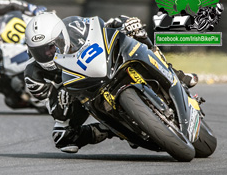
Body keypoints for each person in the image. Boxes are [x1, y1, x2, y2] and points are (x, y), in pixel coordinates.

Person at [23, 12, 198, 153]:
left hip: (99, 64)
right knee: (62, 138)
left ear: (61, 36)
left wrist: (124, 23)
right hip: (77, 94)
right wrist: (59, 96)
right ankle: (111, 129)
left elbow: (101, 26)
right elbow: (54, 111)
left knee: (136, 36)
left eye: (51, 46)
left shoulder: (73, 27)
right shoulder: (34, 75)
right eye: (40, 51)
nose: (48, 54)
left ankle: (176, 74)